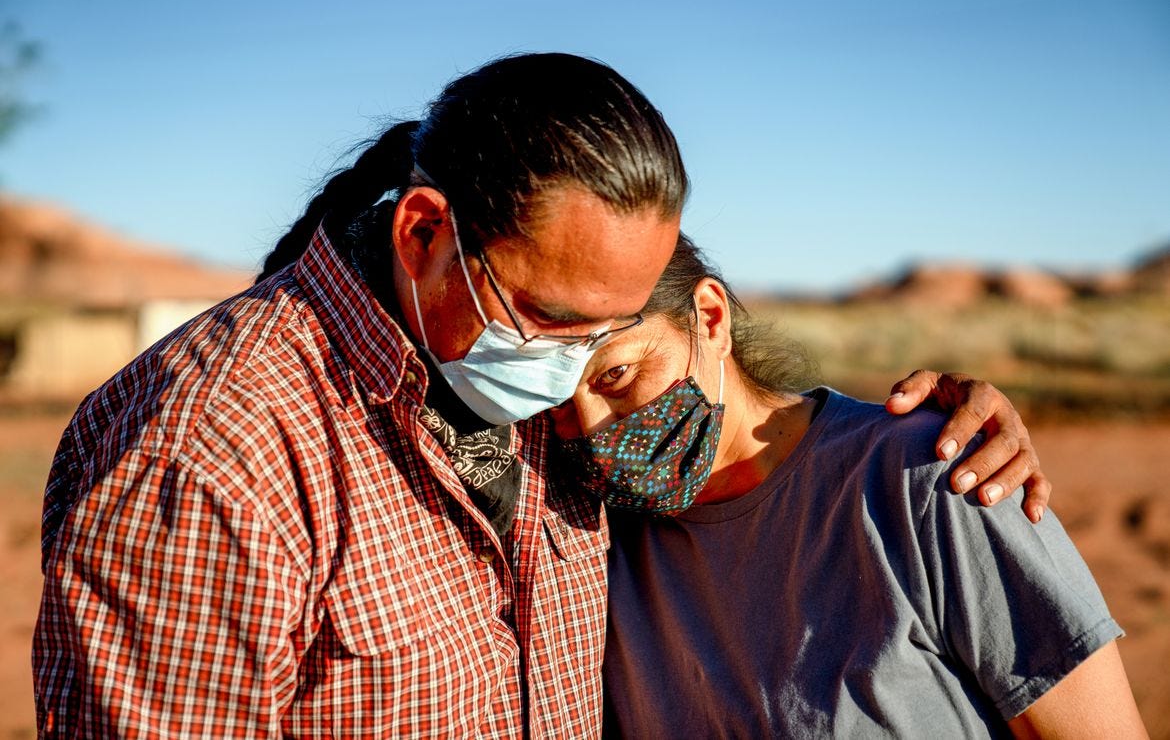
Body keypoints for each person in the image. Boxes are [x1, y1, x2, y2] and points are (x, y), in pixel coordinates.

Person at [35, 52, 1046, 737]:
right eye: (555, 318)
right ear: (425, 233)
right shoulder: (211, 445)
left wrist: (935, 431)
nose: (574, 378)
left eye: (609, 336)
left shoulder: (544, 420)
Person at [550, 235, 1147, 738]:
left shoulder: (926, 475)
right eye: (554, 403)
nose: (592, 430)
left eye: (618, 373)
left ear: (710, 318)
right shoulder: (587, 536)